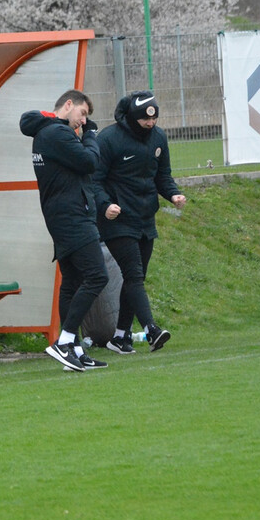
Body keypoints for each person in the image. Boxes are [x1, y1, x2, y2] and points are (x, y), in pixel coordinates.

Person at [20, 90, 109, 372]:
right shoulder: (56, 134)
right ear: (68, 105)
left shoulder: (49, 131)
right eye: (82, 114)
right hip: (72, 218)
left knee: (72, 281)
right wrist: (92, 136)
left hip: (65, 216)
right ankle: (65, 341)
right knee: (97, 276)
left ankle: (76, 350)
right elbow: (90, 163)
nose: (83, 122)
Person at [93, 91, 185, 354]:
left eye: (154, 119)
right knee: (134, 275)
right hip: (117, 220)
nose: (150, 124)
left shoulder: (159, 138)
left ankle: (120, 337)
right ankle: (151, 330)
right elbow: (94, 180)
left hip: (145, 218)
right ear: (133, 117)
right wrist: (105, 205)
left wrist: (173, 194)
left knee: (136, 278)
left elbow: (162, 175)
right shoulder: (109, 139)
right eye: (145, 119)